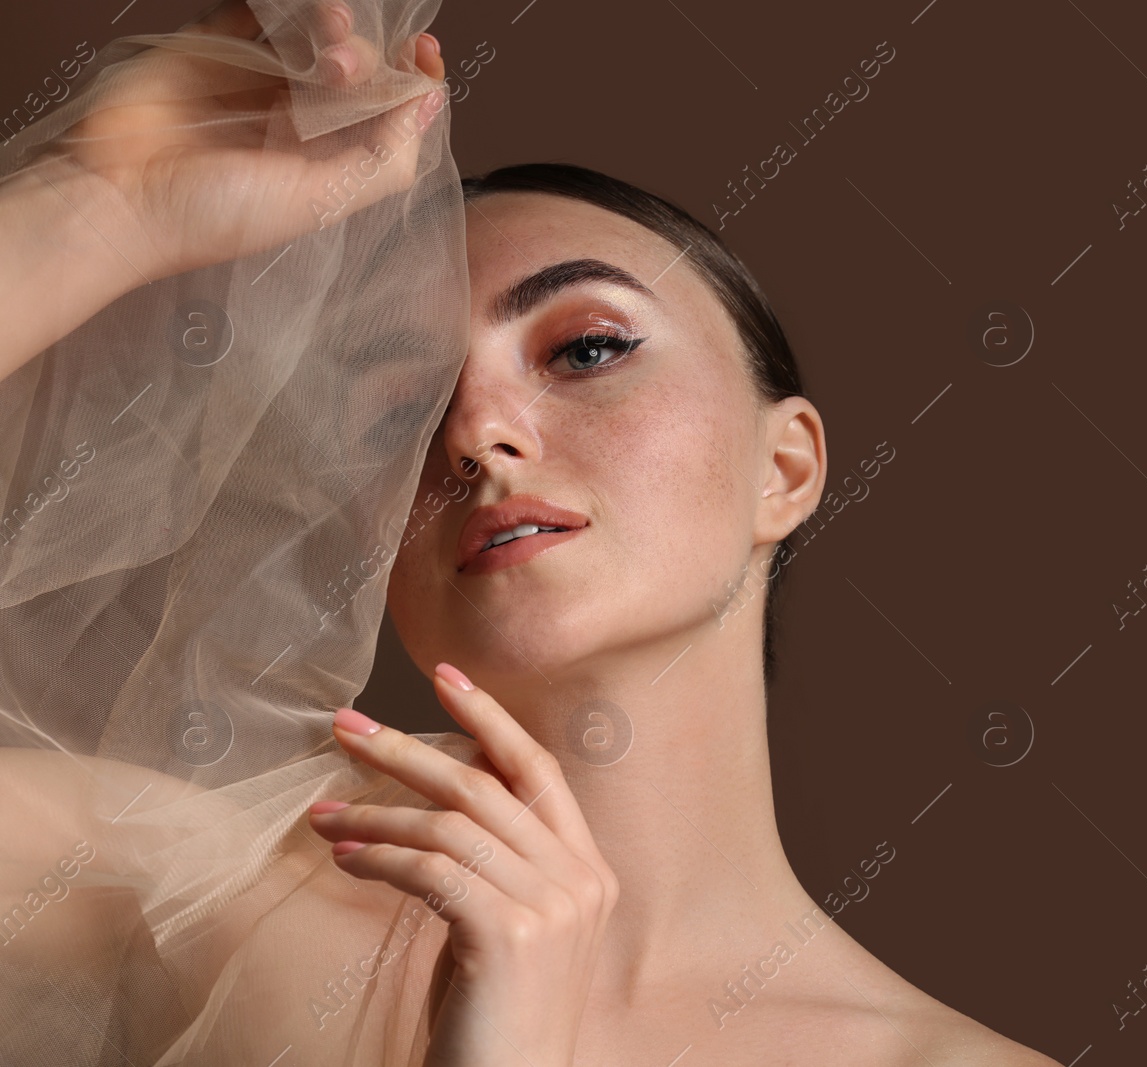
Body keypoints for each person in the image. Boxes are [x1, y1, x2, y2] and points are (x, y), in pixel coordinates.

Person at [0, 2, 1061, 1064]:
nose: (474, 432)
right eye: (397, 410)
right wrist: (100, 203)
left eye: (587, 350)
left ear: (783, 468)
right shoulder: (203, 896)